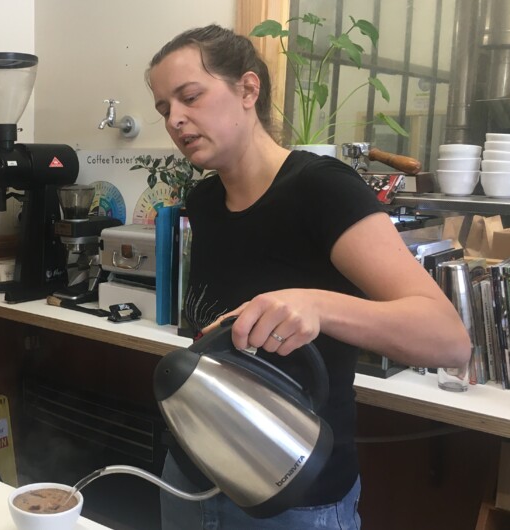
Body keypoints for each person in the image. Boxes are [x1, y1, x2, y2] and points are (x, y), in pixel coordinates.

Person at [146, 25, 471, 529]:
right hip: (191, 480)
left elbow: (448, 340)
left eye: (190, 96)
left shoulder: (321, 190)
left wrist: (316, 305)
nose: (176, 119)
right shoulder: (205, 202)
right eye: (164, 107)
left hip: (293, 495)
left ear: (248, 90)